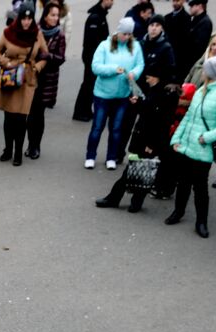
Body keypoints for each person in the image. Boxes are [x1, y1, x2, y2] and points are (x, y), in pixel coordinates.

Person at [165, 55, 216, 236]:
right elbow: (189, 117)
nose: (203, 71)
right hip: (186, 145)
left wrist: (208, 137)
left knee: (200, 186)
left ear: (212, 73)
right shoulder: (202, 90)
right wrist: (176, 139)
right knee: (182, 182)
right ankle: (178, 212)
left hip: (203, 148)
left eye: (206, 69)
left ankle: (201, 222)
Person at [95, 52, 179, 211]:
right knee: (143, 170)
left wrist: (151, 144)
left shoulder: (164, 95)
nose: (147, 79)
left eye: (149, 77)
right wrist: (139, 103)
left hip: (148, 140)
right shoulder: (157, 91)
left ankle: (116, 198)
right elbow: (149, 112)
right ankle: (135, 202)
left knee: (135, 170)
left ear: (157, 77)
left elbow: (161, 122)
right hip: (146, 138)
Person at [82, 14, 141, 169]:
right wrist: (114, 70)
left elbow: (140, 65)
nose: (126, 37)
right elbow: (95, 67)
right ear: (118, 32)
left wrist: (133, 73)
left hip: (122, 96)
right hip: (102, 95)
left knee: (116, 129)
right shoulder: (104, 45)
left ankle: (111, 157)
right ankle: (90, 156)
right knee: (97, 127)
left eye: (129, 34)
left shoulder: (136, 47)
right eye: (124, 34)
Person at [26, 1, 67, 159]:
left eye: (57, 15)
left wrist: (48, 56)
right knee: (30, 114)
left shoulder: (59, 34)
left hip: (48, 79)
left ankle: (36, 146)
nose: (55, 18)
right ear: (45, 15)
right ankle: (30, 145)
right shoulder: (36, 29)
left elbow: (60, 58)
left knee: (39, 114)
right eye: (52, 15)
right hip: (33, 76)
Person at [73, 0, 112, 121]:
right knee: (88, 84)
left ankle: (86, 110)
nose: (112, 2)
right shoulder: (95, 17)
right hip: (92, 56)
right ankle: (79, 112)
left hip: (95, 56)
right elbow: (92, 41)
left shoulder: (100, 15)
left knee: (91, 84)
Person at [183, 0, 213, 77]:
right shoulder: (196, 19)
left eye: (192, 6)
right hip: (189, 62)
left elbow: (198, 47)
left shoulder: (205, 22)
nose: (190, 8)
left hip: (193, 63)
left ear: (199, 6)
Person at [163, 0, 192, 80]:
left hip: (178, 55)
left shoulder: (186, 18)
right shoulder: (167, 17)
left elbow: (184, 39)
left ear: (183, 1)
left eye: (177, 1)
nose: (175, 3)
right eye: (173, 1)